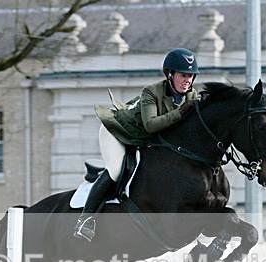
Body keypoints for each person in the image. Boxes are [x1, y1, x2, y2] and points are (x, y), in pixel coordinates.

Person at [73, 48, 201, 242]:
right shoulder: (151, 92)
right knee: (116, 169)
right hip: (117, 132)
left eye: (191, 76)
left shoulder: (192, 96)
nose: (188, 81)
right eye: (183, 75)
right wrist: (181, 112)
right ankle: (85, 219)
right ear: (169, 74)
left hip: (143, 139)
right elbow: (151, 125)